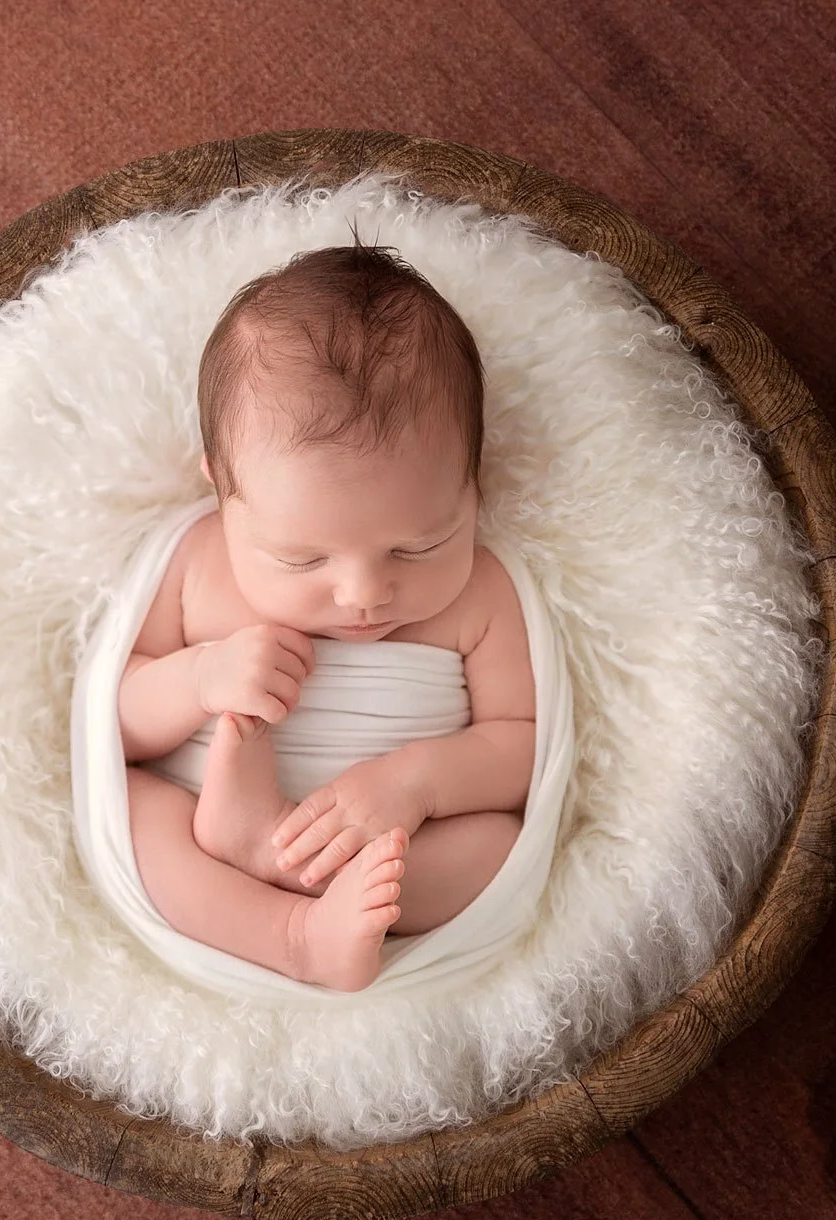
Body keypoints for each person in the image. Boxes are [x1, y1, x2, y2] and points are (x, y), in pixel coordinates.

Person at [118, 240, 535, 992]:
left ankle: (299, 879)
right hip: (202, 826)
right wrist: (200, 677)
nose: (364, 594)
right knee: (133, 812)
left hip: (393, 843)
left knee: (497, 850)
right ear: (223, 493)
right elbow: (119, 723)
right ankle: (291, 936)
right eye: (304, 560)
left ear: (475, 482)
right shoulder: (197, 563)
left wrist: (417, 786)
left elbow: (519, 748)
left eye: (419, 546)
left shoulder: (485, 594)